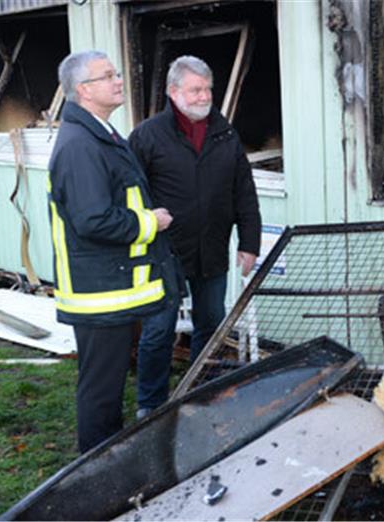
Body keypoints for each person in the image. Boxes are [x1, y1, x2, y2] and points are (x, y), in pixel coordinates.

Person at [48, 50, 182, 453]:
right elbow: (92, 220)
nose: (119, 80)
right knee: (102, 390)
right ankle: (94, 471)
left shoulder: (99, 134)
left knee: (107, 386)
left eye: (116, 73)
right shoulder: (79, 145)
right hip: (98, 295)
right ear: (84, 90)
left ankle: (109, 460)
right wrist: (150, 223)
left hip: (113, 288)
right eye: (108, 76)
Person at [129, 55, 261, 418]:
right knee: (159, 328)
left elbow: (243, 191)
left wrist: (249, 242)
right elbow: (128, 191)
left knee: (211, 322)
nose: (204, 96)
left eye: (208, 89)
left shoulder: (225, 133)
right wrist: (143, 225)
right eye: (195, 89)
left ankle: (200, 390)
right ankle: (151, 404)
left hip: (212, 248)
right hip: (164, 250)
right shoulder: (147, 136)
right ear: (174, 92)